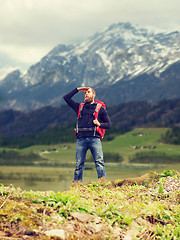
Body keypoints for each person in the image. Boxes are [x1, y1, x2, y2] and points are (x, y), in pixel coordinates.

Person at [63, 87, 112, 182]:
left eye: (88, 92)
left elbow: (109, 125)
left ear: (94, 94)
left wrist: (99, 124)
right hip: (81, 139)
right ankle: (76, 184)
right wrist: (77, 89)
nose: (86, 94)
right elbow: (66, 98)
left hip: (95, 139)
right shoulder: (79, 107)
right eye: (85, 93)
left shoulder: (100, 109)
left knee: (99, 162)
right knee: (79, 164)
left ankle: (102, 183)